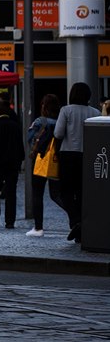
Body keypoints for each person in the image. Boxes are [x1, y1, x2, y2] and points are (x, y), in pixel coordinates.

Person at [53, 82, 100, 242]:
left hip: (68, 155)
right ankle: (82, 230)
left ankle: (76, 221)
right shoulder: (95, 112)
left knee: (65, 191)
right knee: (82, 192)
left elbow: (58, 133)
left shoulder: (66, 110)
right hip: (87, 155)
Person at [24, 94, 62, 237]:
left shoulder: (40, 121)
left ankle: (38, 228)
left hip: (40, 160)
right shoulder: (60, 121)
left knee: (37, 194)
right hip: (56, 160)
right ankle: (75, 217)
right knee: (56, 194)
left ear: (43, 106)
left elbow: (30, 139)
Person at [0, 101, 25, 229]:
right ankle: (10, 221)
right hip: (13, 163)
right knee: (11, 191)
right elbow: (20, 145)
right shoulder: (16, 126)